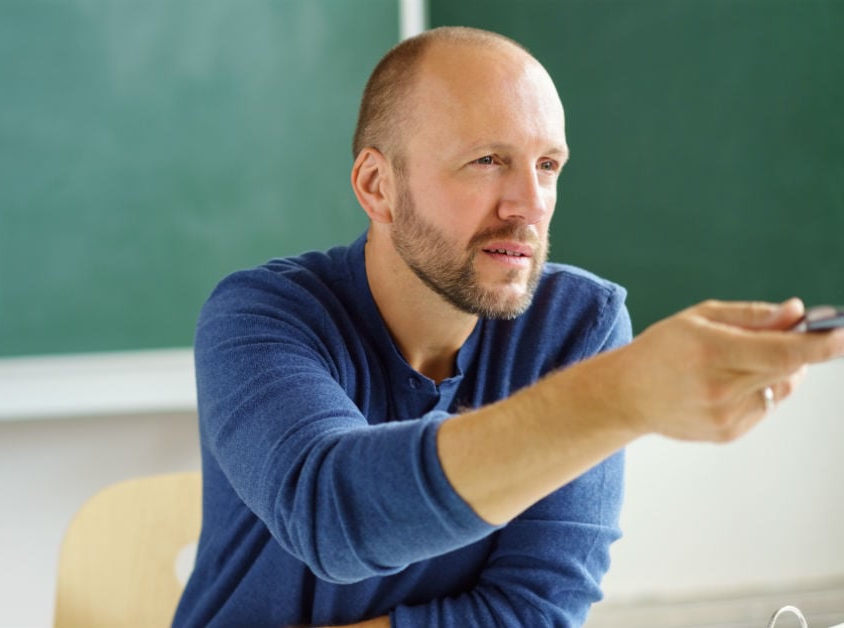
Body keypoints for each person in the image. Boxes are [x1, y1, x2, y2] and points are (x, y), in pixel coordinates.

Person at [171, 26, 844, 628]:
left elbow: (537, 609)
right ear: (377, 186)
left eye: (547, 165)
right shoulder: (258, 317)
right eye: (488, 160)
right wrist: (619, 396)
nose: (530, 205)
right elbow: (333, 514)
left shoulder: (581, 325)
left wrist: (616, 390)